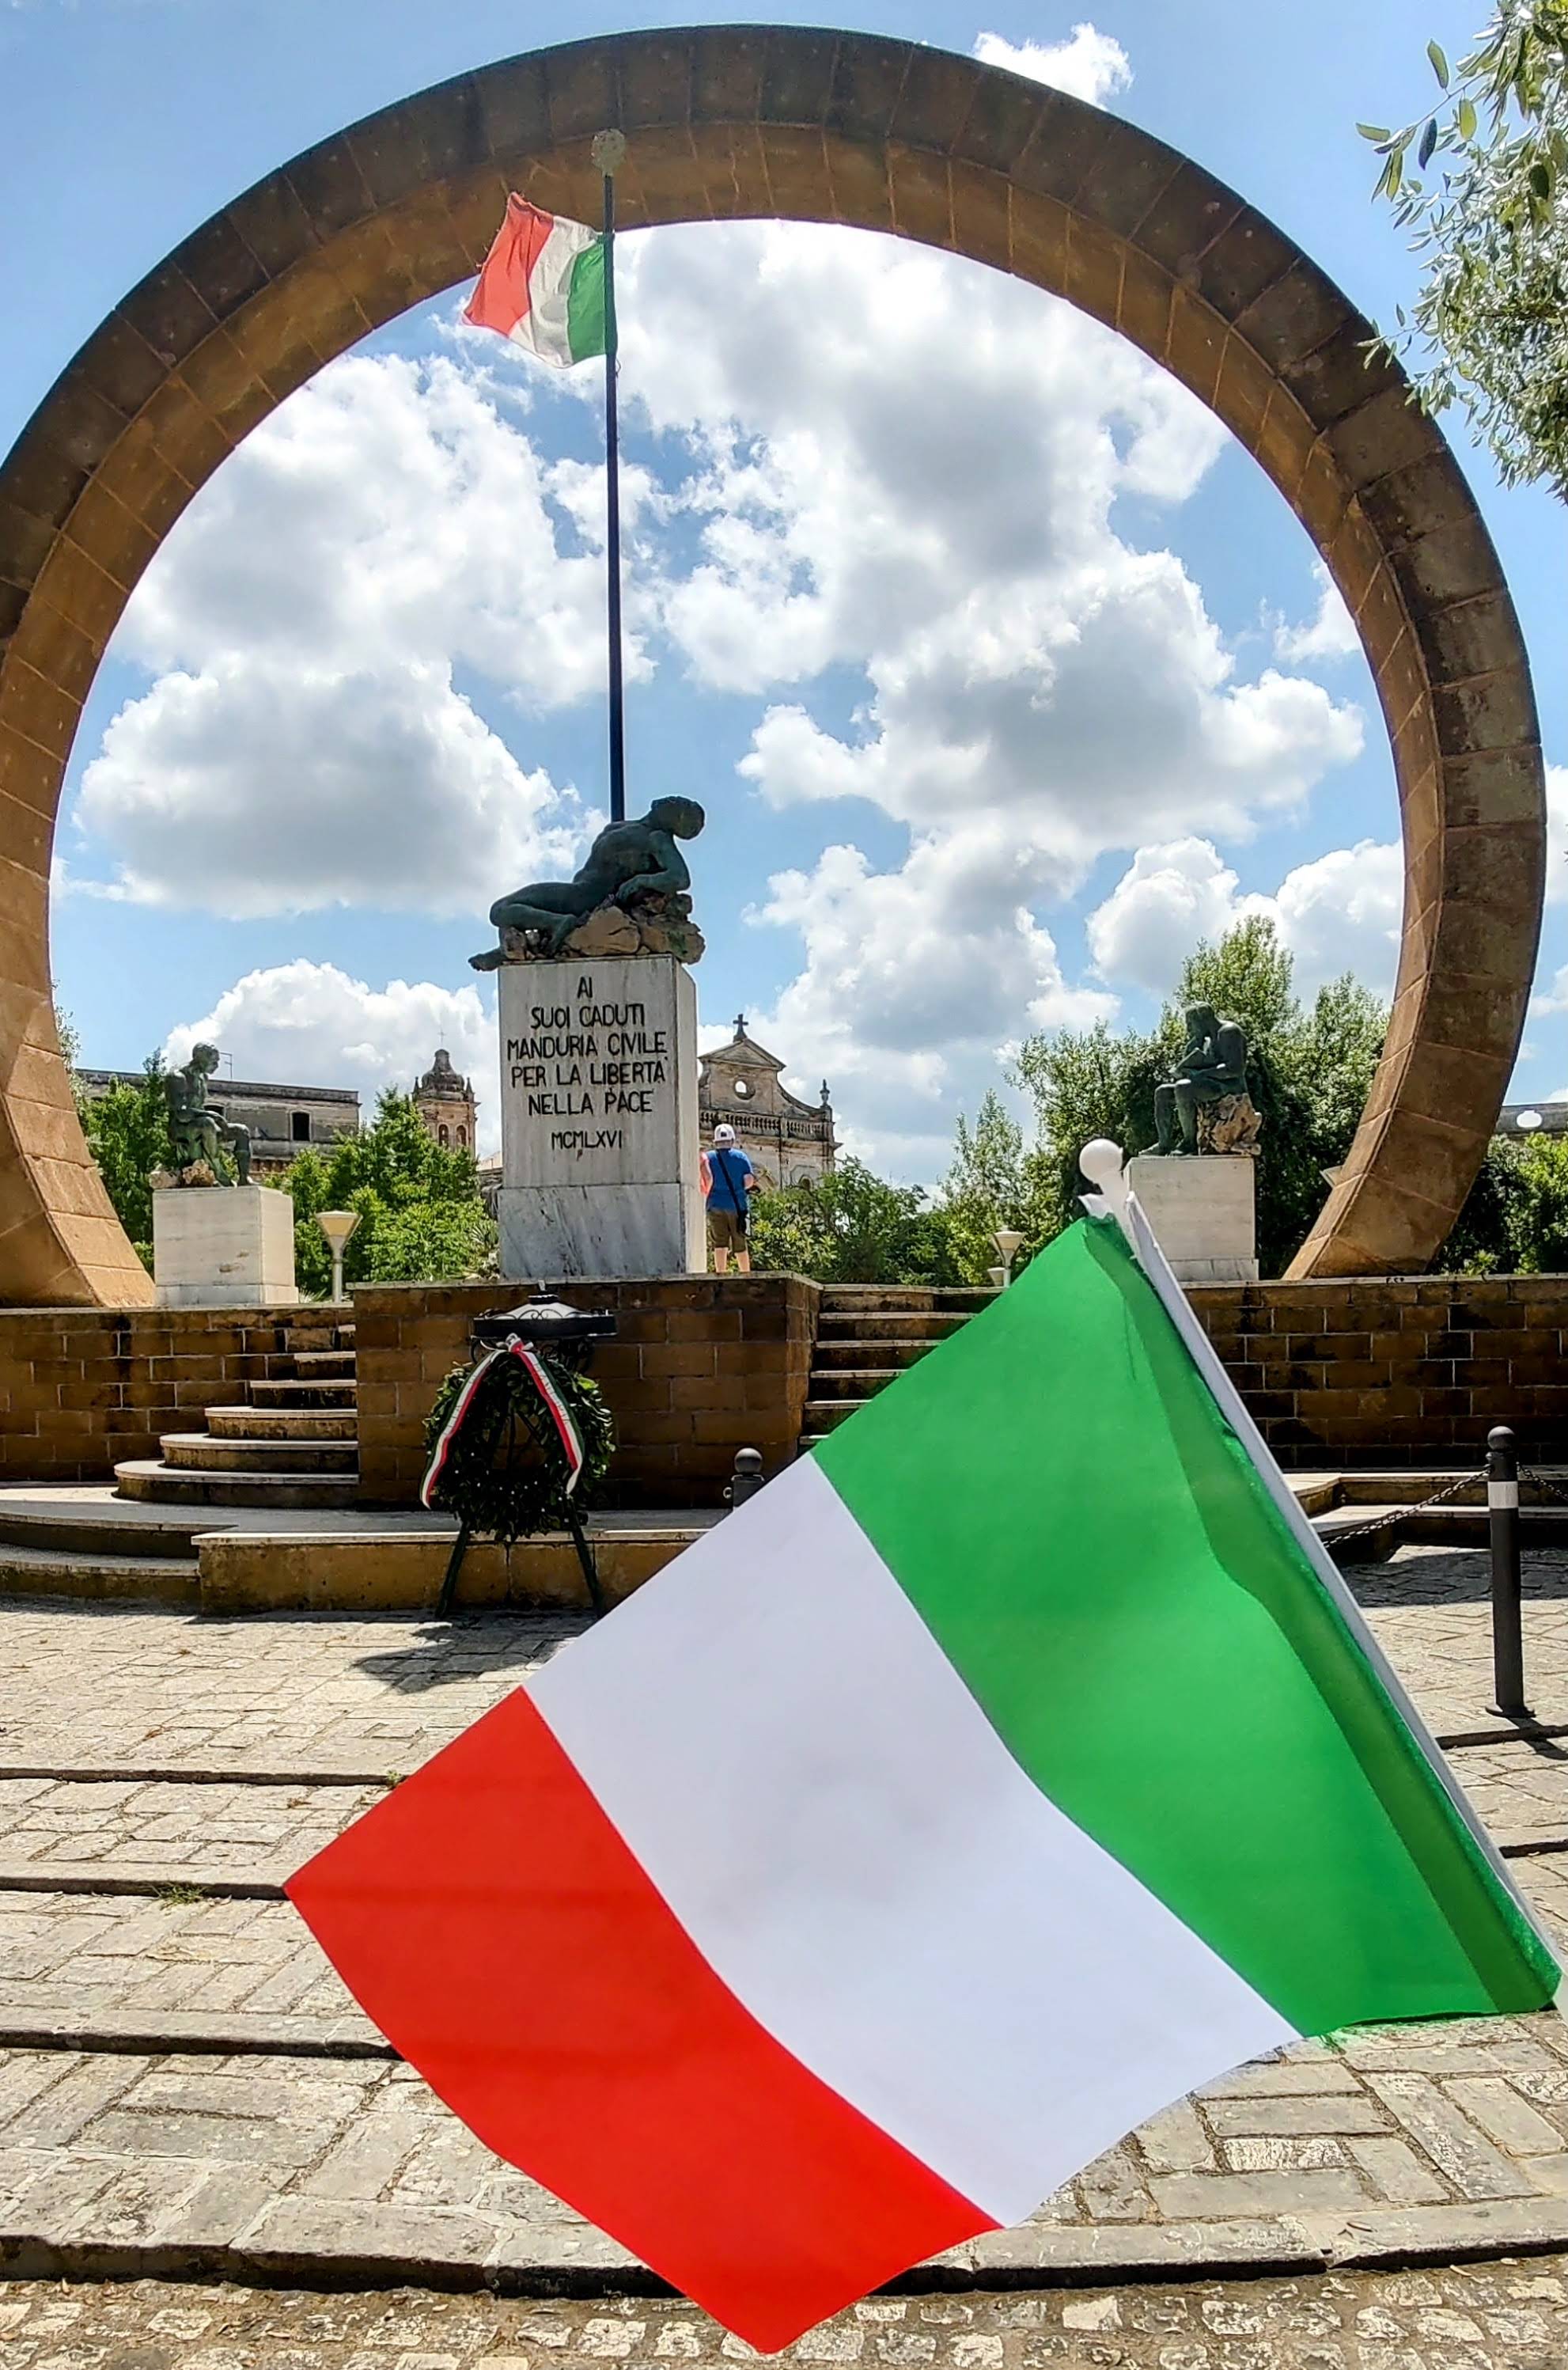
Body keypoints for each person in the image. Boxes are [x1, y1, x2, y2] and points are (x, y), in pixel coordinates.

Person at [701, 1123, 755, 1275]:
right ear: (732, 1140)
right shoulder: (740, 1157)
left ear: (715, 1141)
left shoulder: (709, 1158)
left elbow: (705, 1178)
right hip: (737, 1206)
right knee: (740, 1242)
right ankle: (745, 1274)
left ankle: (721, 1274)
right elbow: (749, 1181)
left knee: (720, 1242)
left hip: (714, 1205)